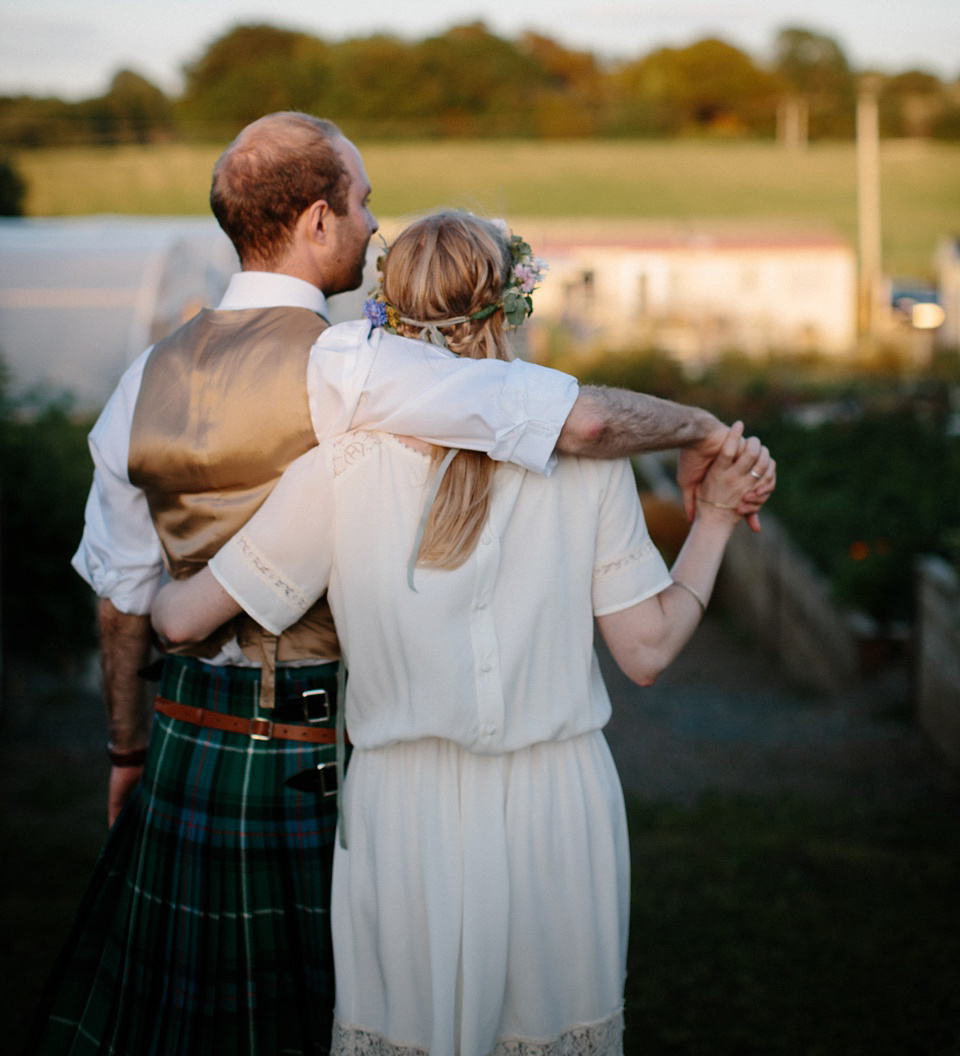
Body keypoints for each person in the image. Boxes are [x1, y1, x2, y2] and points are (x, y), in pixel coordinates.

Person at [29, 113, 772, 1056]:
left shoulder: (143, 384)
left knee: (209, 1025)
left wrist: (127, 750)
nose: (373, 223)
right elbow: (571, 433)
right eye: (363, 201)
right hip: (412, 771)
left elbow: (130, 601)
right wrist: (707, 443)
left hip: (240, 761)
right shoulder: (351, 365)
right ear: (314, 222)